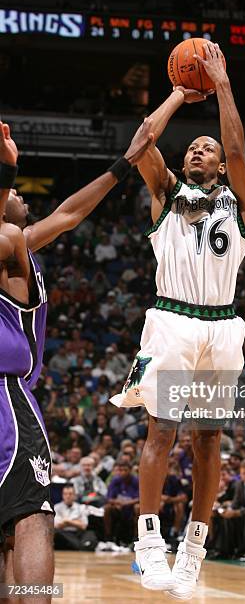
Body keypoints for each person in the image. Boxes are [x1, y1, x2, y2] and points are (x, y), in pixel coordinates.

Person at [109, 41, 245, 598]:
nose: (198, 150)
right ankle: (149, 542)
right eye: (193, 146)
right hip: (172, 319)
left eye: (206, 148)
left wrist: (220, 85)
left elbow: (239, 153)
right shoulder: (165, 192)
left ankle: (195, 544)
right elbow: (142, 143)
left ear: (219, 165)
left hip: (222, 327)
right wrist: (177, 92)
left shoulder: (238, 199)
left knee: (208, 438)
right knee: (161, 430)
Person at [0, 118, 153, 600]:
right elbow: (66, 215)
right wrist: (7, 165)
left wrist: (124, 163)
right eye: (16, 191)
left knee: (15, 525)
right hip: (7, 400)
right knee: (32, 515)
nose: (22, 197)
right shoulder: (11, 243)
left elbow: (69, 214)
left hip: (10, 393)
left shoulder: (18, 249)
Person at [54, 485, 97, 552]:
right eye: (65, 494)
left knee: (90, 533)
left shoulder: (80, 507)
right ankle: (80, 546)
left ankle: (77, 546)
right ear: (62, 495)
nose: (68, 496)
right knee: (56, 533)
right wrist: (76, 521)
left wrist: (67, 521)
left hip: (78, 533)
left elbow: (83, 526)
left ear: (74, 495)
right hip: (63, 534)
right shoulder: (57, 507)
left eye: (70, 494)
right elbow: (57, 525)